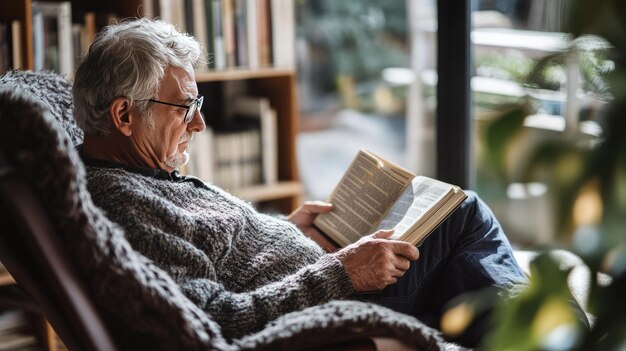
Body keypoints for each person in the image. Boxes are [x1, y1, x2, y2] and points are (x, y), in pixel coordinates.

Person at [72, 18, 528, 347]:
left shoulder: (137, 175)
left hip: (325, 276)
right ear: (124, 115)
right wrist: (343, 271)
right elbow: (216, 321)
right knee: (463, 216)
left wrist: (290, 229)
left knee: (459, 264)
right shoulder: (128, 207)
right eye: (186, 107)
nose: (200, 124)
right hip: (334, 306)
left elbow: (224, 254)